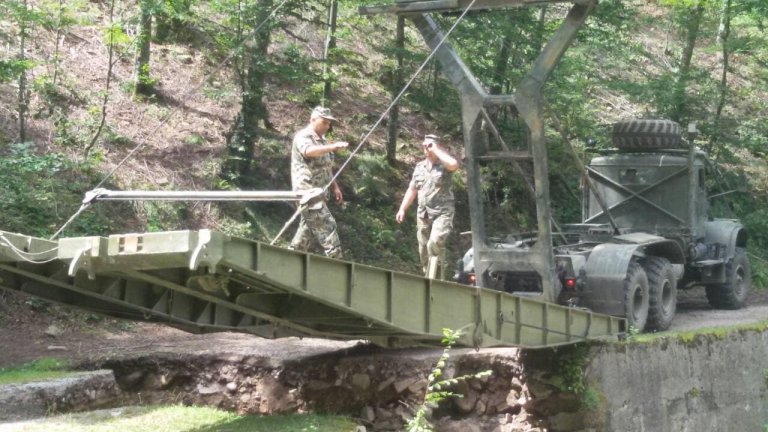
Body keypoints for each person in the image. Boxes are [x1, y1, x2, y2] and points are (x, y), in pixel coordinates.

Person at [396, 134, 460, 275]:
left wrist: (435, 150)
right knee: (423, 249)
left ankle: (436, 277)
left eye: (429, 145)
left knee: (434, 242)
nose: (426, 148)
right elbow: (412, 189)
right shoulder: (419, 167)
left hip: (442, 212)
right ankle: (428, 276)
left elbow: (454, 165)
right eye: (424, 145)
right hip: (423, 213)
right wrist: (402, 209)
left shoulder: (444, 165)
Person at [289, 106, 349, 259]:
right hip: (307, 192)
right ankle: (337, 263)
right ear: (312, 120)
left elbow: (326, 168)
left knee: (307, 230)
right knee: (327, 226)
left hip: (320, 192)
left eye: (329, 124)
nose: (327, 126)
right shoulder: (303, 136)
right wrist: (332, 147)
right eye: (324, 122)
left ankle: (290, 258)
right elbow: (308, 151)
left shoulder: (322, 141)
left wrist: (335, 187)